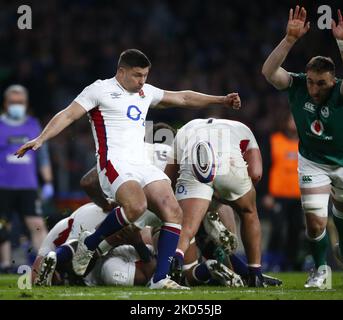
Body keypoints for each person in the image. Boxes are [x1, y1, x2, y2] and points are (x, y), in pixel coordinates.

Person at [15, 49, 241, 289]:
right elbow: (68, 114)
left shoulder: (145, 92)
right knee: (136, 206)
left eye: (145, 75)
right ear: (121, 71)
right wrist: (41, 138)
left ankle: (160, 278)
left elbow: (183, 98)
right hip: (114, 162)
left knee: (173, 212)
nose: (142, 81)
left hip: (141, 163)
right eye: (137, 75)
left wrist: (221, 99)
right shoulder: (99, 90)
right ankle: (90, 244)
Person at [262, 6, 343, 287]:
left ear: (333, 80)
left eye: (321, 83)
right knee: (315, 222)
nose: (314, 89)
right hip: (312, 161)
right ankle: (322, 270)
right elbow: (268, 72)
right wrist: (289, 39)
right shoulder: (298, 86)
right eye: (312, 81)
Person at [165, 118, 265, 287]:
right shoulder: (242, 128)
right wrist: (231, 195)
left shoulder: (184, 130)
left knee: (187, 226)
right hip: (229, 165)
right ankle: (255, 274)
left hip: (195, 168)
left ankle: (175, 262)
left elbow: (168, 178)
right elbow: (256, 173)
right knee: (249, 212)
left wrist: (197, 201)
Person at [0, 84, 54, 272]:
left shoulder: (33, 125)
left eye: (20, 102)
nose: (17, 105)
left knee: (37, 224)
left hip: (28, 186)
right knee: (2, 226)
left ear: (26, 103)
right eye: (13, 102)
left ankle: (45, 263)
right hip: (3, 185)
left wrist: (47, 182)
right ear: (5, 104)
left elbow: (43, 155)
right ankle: (5, 265)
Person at [262, 112, 304, 271]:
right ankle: (271, 261)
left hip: (299, 195)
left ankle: (289, 264)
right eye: (291, 119)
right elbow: (266, 168)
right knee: (278, 229)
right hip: (278, 195)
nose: (294, 123)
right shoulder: (274, 141)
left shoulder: (305, 143)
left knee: (296, 229)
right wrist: (266, 193)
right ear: (285, 121)